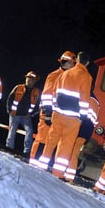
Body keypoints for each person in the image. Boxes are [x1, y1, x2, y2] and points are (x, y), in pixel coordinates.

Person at [35, 51, 92, 181]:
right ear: (87, 63)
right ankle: (58, 173)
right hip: (73, 119)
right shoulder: (86, 77)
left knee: (50, 141)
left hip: (58, 114)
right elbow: (84, 99)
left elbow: (55, 93)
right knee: (66, 146)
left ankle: (42, 166)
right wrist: (82, 116)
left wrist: (53, 111)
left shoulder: (64, 74)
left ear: (77, 60)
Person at [29, 51, 77, 166]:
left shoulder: (68, 77)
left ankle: (43, 166)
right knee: (42, 140)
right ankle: (33, 165)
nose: (74, 66)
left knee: (51, 143)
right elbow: (47, 95)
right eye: (72, 63)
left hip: (58, 117)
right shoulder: (54, 76)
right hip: (48, 115)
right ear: (66, 62)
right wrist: (48, 113)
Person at [5, 71, 41, 158]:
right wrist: (9, 110)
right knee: (12, 131)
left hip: (26, 117)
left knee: (30, 131)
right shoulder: (18, 87)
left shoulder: (37, 92)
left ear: (35, 81)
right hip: (15, 115)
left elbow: (38, 106)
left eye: (32, 80)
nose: (29, 81)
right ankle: (9, 149)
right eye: (28, 79)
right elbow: (10, 99)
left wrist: (31, 114)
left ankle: (27, 152)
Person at [65, 94, 99, 183]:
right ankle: (69, 175)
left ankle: (68, 176)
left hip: (80, 130)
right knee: (74, 153)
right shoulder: (95, 102)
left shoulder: (87, 99)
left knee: (72, 152)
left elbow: (81, 117)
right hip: (85, 132)